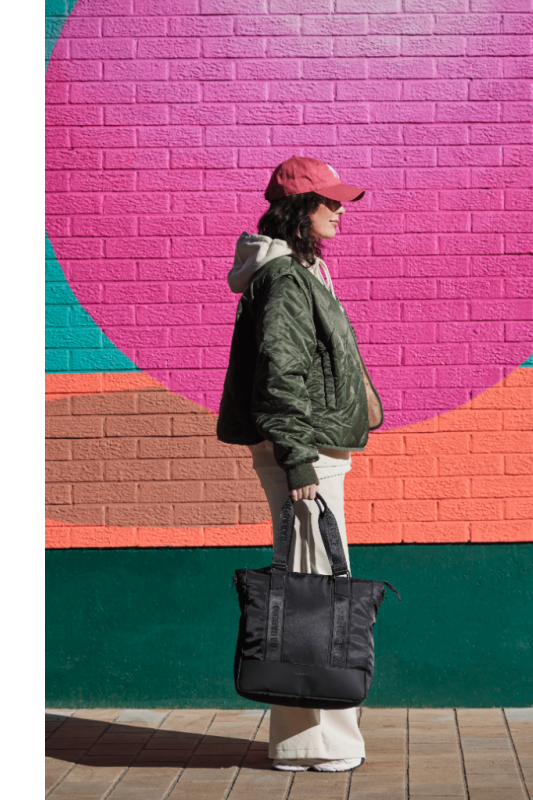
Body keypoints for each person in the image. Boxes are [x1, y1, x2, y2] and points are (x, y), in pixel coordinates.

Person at [216, 156, 384, 773]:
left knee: (308, 585)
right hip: (304, 448)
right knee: (314, 593)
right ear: (297, 209)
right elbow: (280, 376)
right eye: (328, 200)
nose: (338, 210)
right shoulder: (286, 277)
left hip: (309, 445)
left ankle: (302, 741)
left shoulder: (299, 270)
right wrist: (299, 463)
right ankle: (318, 743)